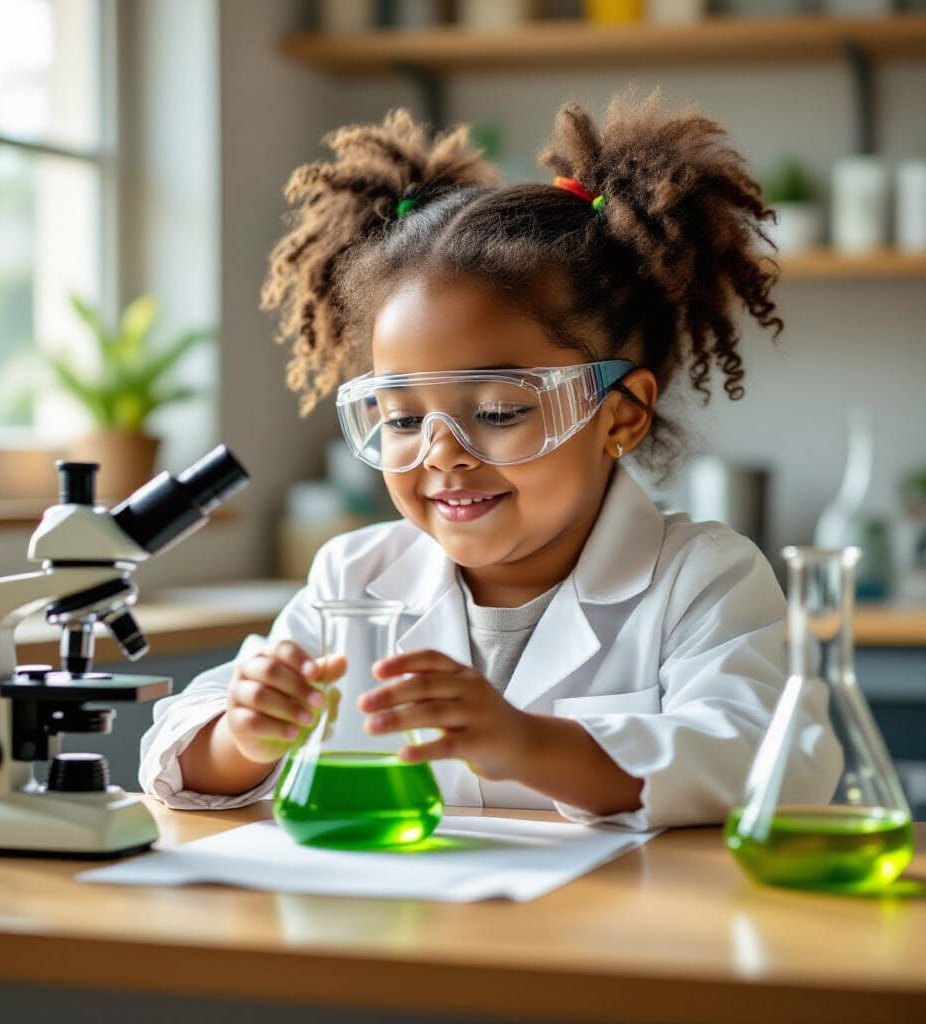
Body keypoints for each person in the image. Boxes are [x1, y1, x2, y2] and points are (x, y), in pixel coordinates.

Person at [139, 89, 841, 830]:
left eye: (500, 411)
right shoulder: (357, 577)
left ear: (621, 415)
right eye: (402, 418)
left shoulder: (701, 578)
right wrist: (245, 736)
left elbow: (772, 761)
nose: (443, 453)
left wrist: (528, 744)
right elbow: (179, 759)